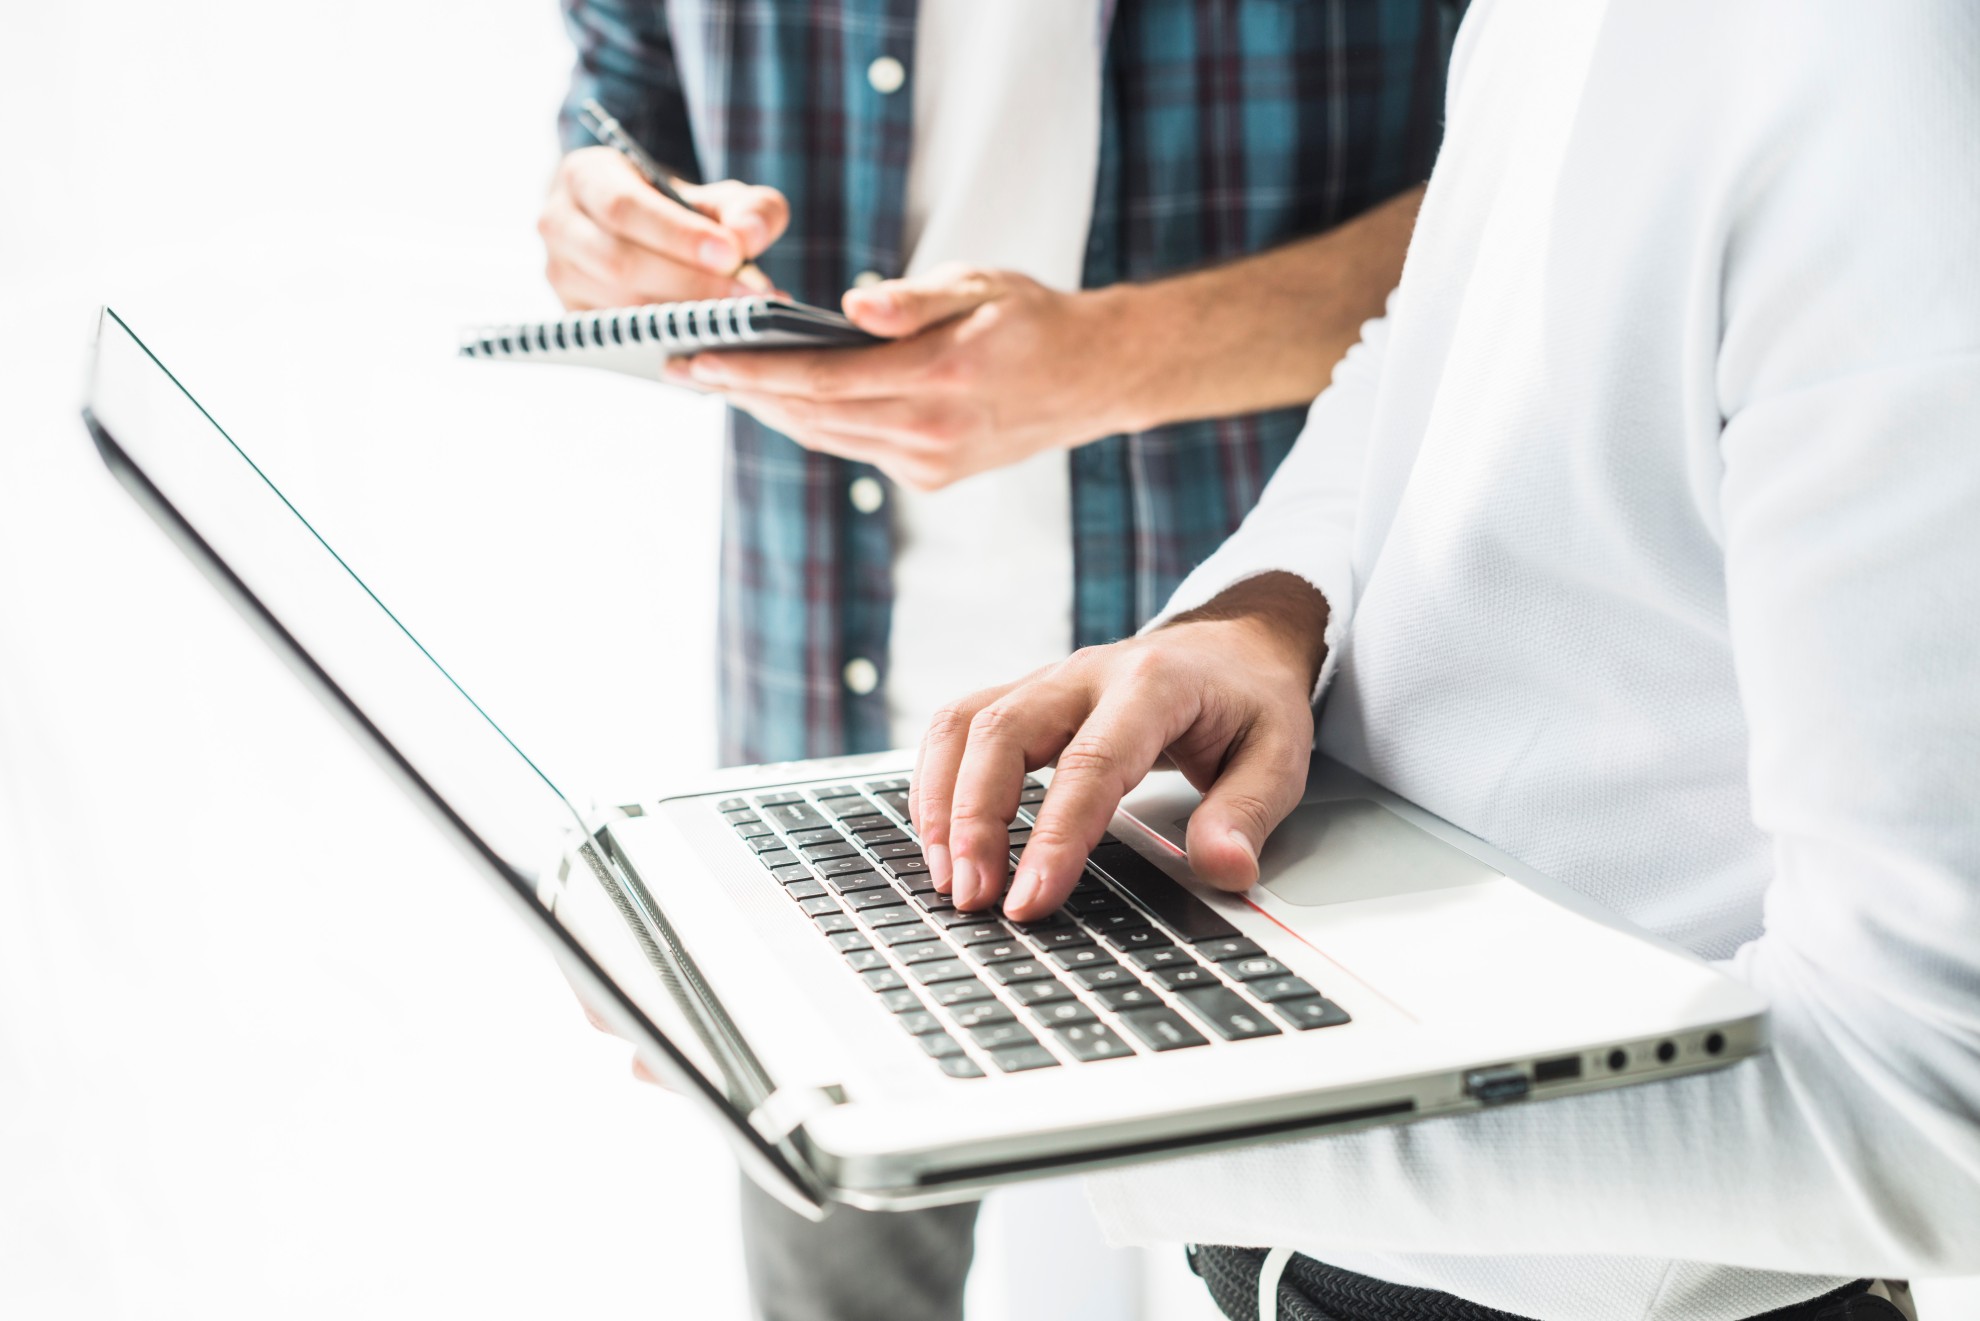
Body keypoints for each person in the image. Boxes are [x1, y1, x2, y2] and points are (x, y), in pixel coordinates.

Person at [908, 1, 1980, 1317]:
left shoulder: (1886, 72)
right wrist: (1261, 614)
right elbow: (1429, 331)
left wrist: (1111, 1105)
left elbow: (1933, 1104)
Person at [543, 2, 1459, 1317]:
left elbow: (1537, 199)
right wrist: (605, 228)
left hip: (1261, 761)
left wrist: (1119, 359)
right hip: (818, 743)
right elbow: (615, 108)